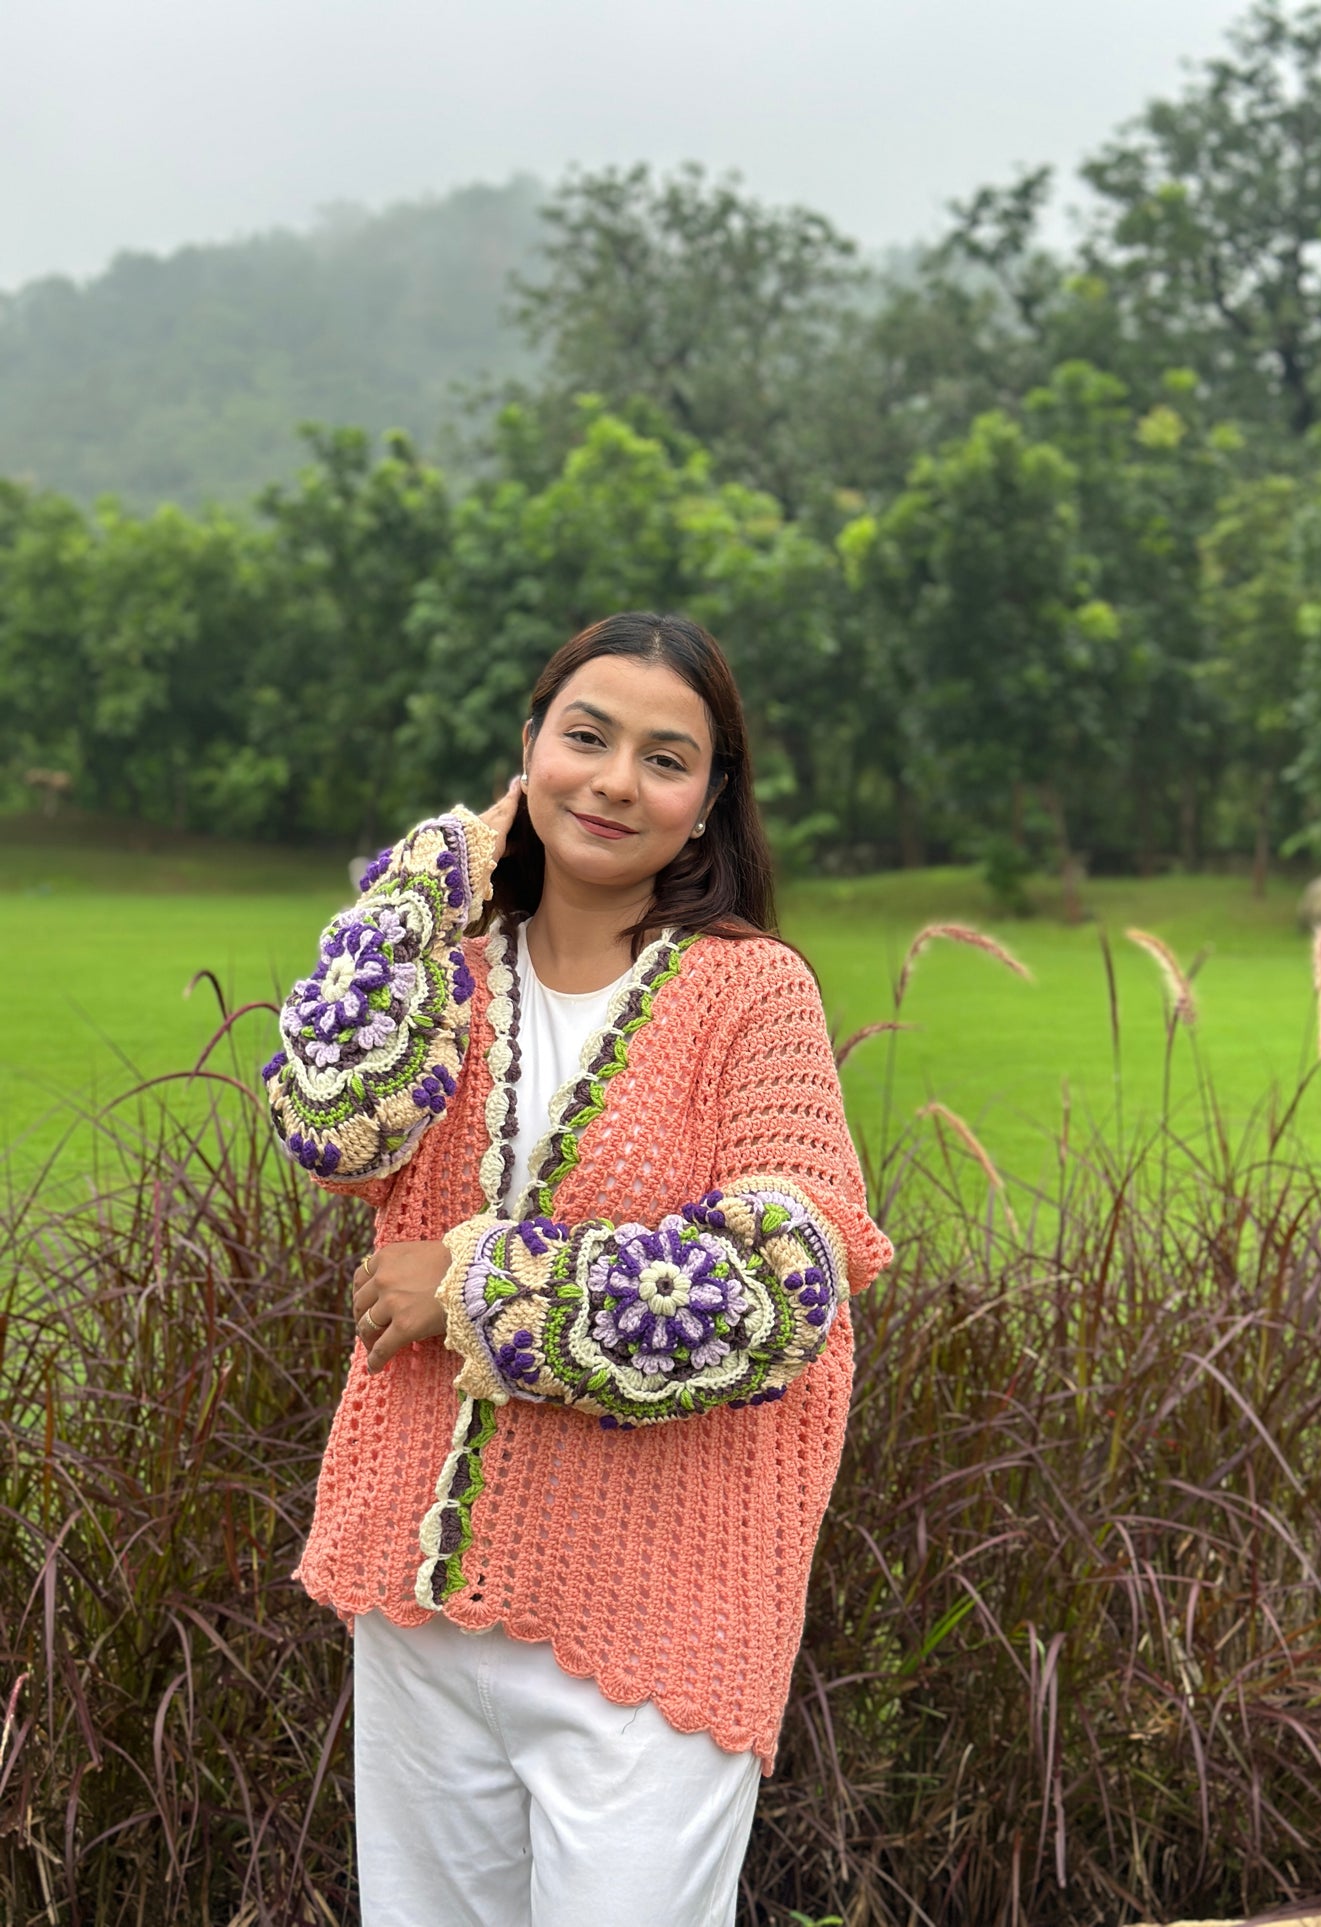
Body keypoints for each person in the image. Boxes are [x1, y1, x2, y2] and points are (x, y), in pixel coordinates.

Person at [264, 610, 893, 1926]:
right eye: (585, 737)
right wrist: (436, 872)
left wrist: (478, 1285)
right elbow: (326, 1119)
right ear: (527, 750)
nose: (614, 782)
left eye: (665, 759)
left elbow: (780, 1293)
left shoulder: (750, 995)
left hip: (653, 1617)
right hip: (420, 1601)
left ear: (709, 803)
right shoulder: (444, 976)